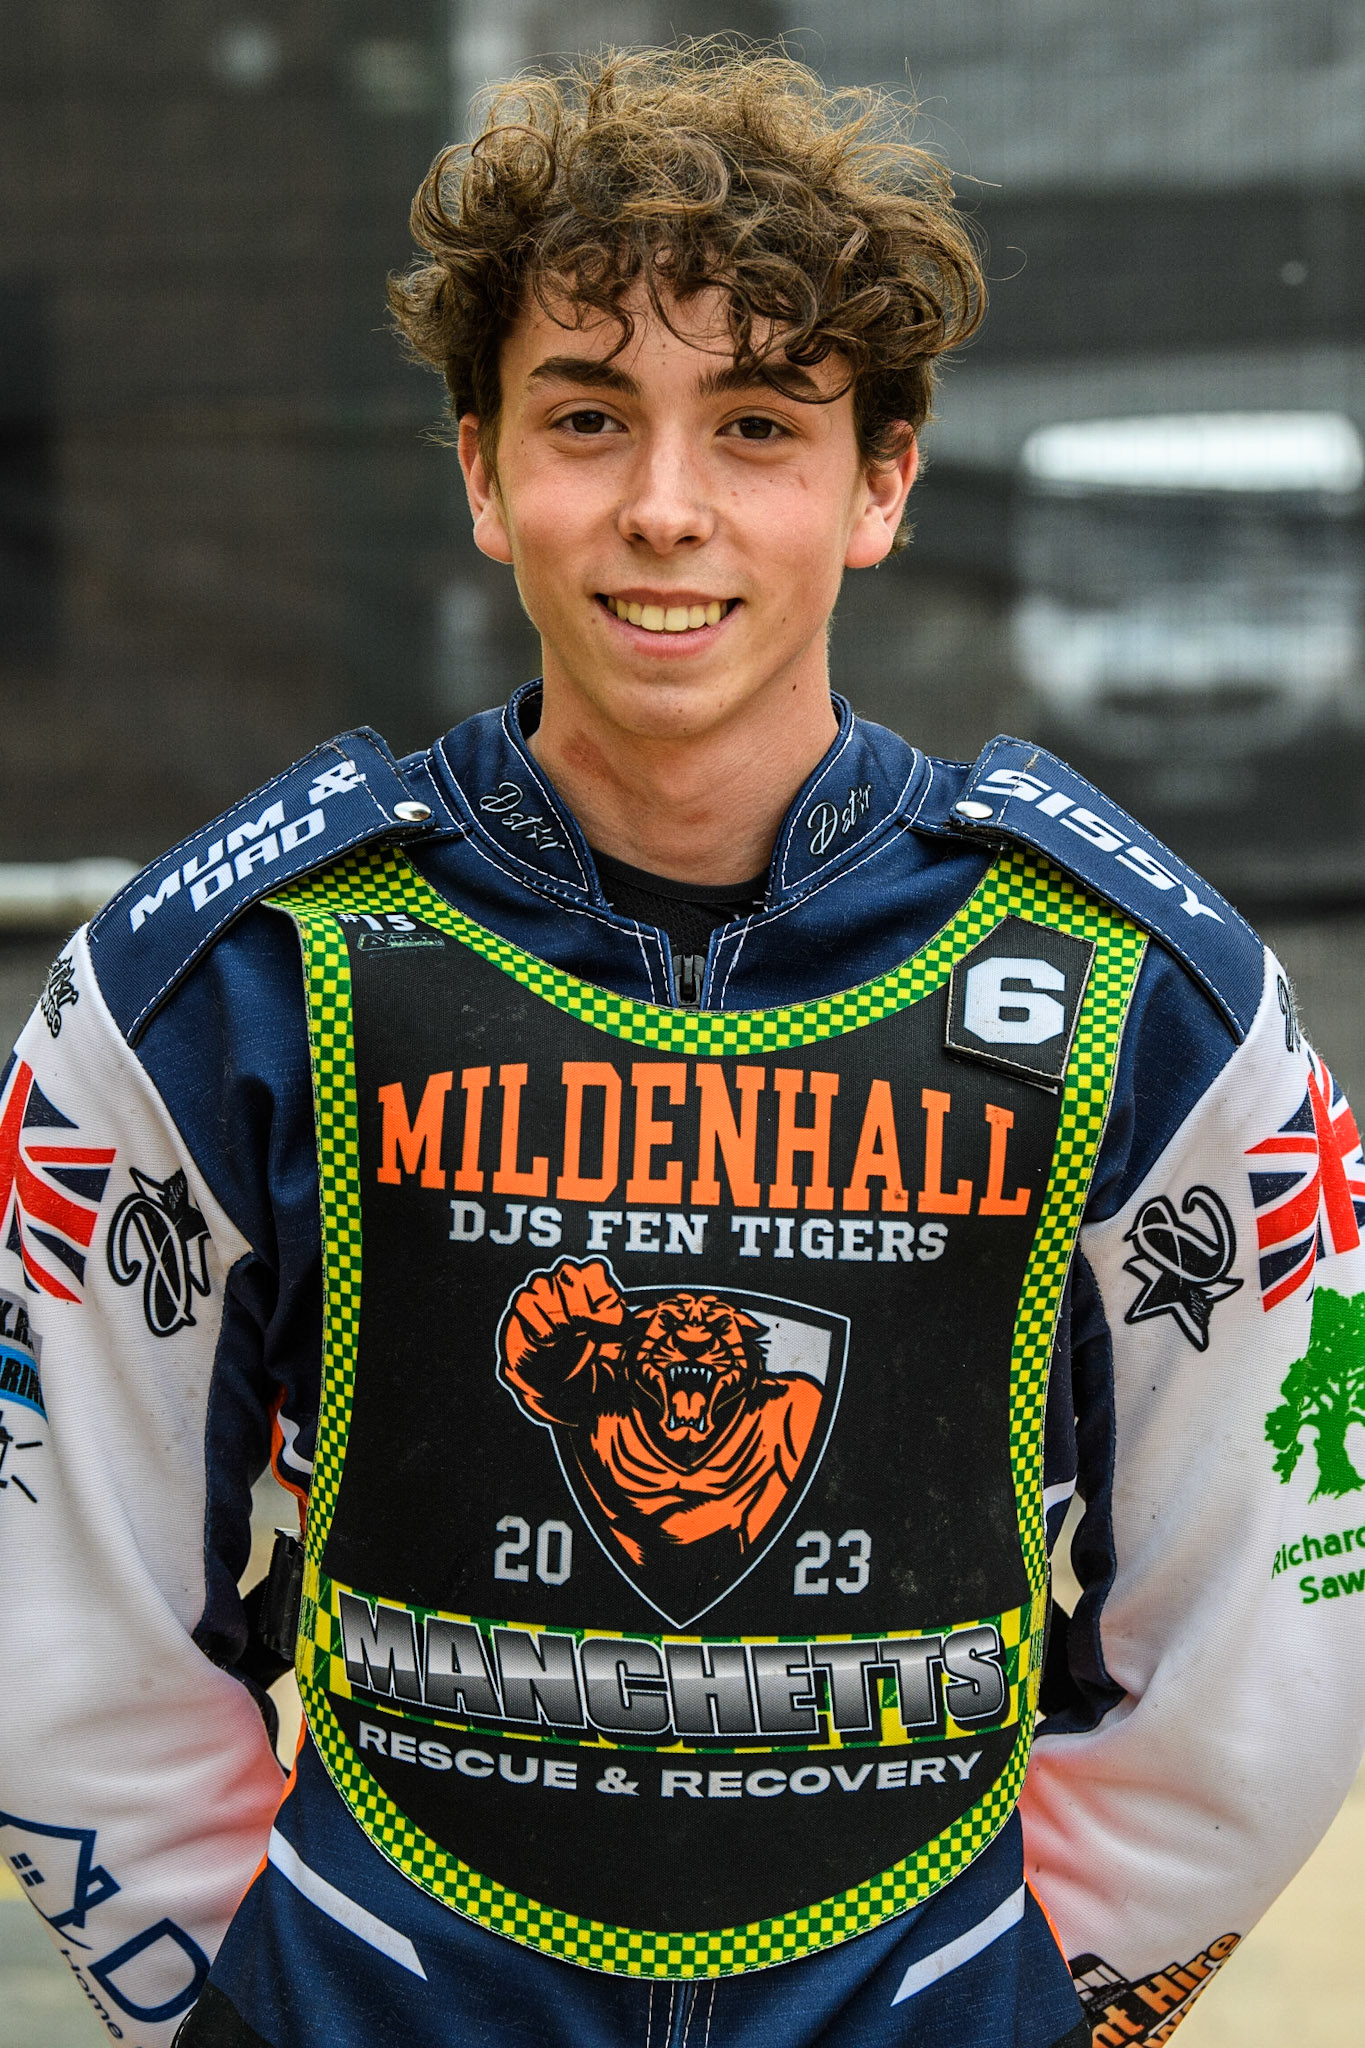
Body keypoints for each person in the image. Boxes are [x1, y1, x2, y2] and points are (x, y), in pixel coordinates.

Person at [2, 43, 1363, 2048]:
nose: (660, 508)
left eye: (752, 424)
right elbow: (65, 1606)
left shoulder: (1133, 989)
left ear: (881, 482)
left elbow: (1281, 1596)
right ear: (477, 467)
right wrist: (256, 2001)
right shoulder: (230, 969)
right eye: (582, 416)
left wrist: (1007, 2000)